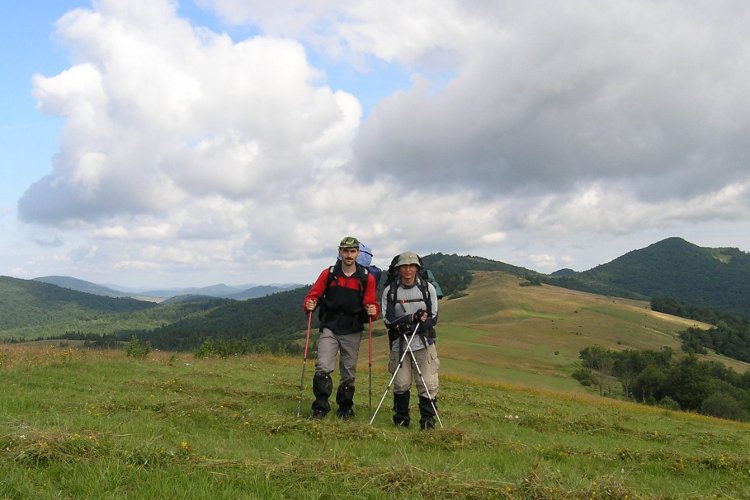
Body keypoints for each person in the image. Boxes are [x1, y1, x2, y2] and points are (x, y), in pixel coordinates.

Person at [303, 236, 380, 419]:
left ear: (358, 253)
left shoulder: (366, 278)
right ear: (339, 252)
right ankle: (320, 408)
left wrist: (373, 310)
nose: (348, 255)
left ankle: (345, 408)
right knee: (323, 366)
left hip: (352, 327)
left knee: (348, 371)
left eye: (352, 251)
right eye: (345, 251)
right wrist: (310, 303)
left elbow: (371, 303)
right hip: (330, 325)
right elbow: (312, 296)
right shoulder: (329, 273)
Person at [381, 251, 440, 429]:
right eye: (404, 266)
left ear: (417, 268)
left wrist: (413, 324)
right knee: (401, 383)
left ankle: (428, 422)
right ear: (398, 269)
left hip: (423, 343)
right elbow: (388, 320)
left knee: (428, 384)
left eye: (411, 266)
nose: (408, 270)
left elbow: (433, 318)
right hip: (399, 345)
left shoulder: (427, 289)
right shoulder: (390, 291)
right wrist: (410, 319)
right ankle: (401, 420)